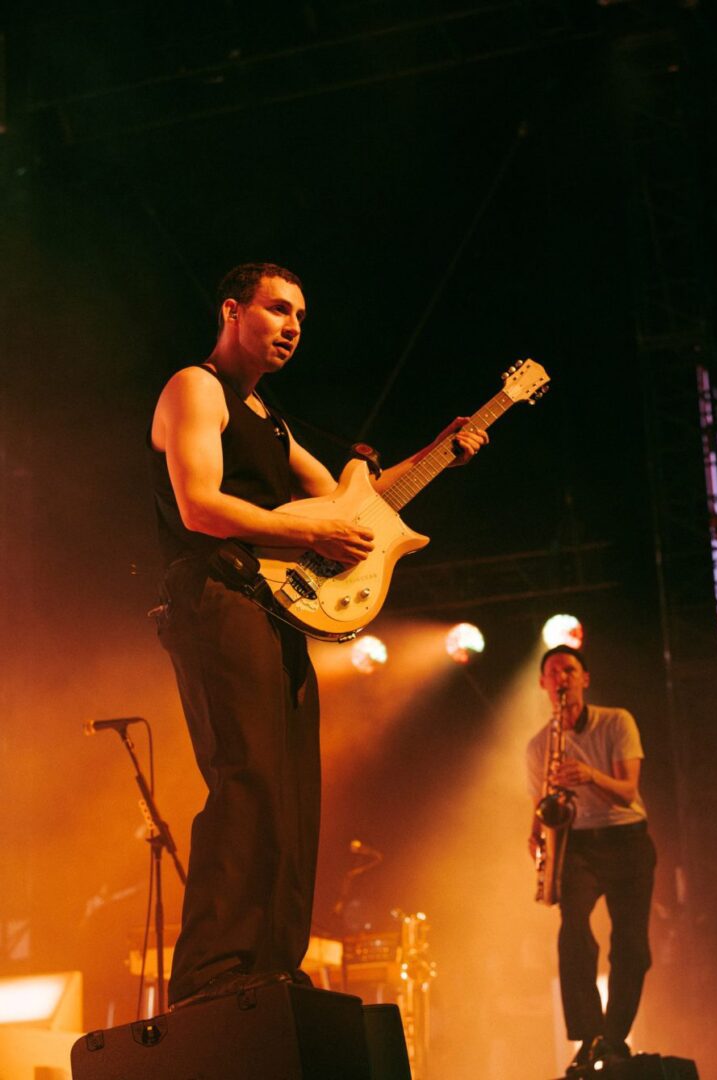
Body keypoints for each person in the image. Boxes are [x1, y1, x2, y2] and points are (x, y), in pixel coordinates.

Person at [148, 261, 487, 1009]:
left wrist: (438, 454)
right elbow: (200, 506)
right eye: (276, 309)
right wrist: (320, 532)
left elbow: (351, 500)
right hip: (216, 596)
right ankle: (212, 977)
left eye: (301, 315)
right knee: (249, 782)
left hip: (273, 609)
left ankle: (270, 967)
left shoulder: (268, 418)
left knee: (294, 795)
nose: (293, 325)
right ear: (232, 310)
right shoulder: (195, 389)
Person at [526, 644, 656, 1075]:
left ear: (585, 678)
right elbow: (540, 805)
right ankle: (588, 1035)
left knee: (632, 947)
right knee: (573, 933)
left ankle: (613, 1039)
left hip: (627, 839)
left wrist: (590, 776)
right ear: (544, 685)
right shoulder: (539, 745)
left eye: (569, 670)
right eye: (553, 673)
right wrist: (536, 838)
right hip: (576, 845)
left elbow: (628, 791)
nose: (562, 678)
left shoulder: (616, 721)